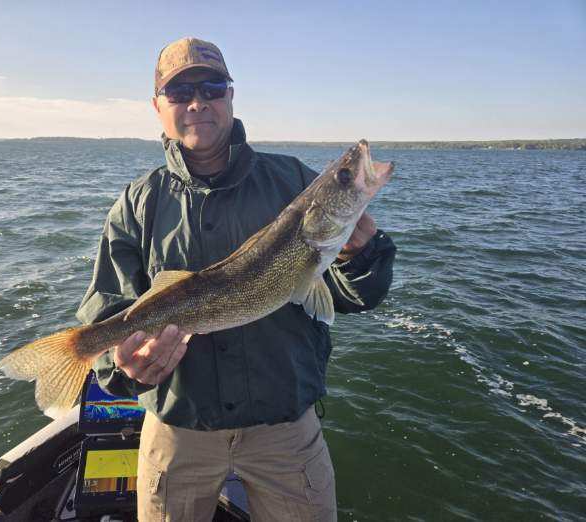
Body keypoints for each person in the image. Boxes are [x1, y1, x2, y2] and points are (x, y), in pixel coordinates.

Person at [76, 37, 396, 522]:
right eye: (180, 92)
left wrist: (362, 255)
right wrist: (122, 368)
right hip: (178, 431)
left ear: (231, 94)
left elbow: (354, 298)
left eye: (212, 87)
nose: (198, 102)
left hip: (285, 430)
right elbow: (106, 311)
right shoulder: (137, 204)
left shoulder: (293, 182)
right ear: (157, 106)